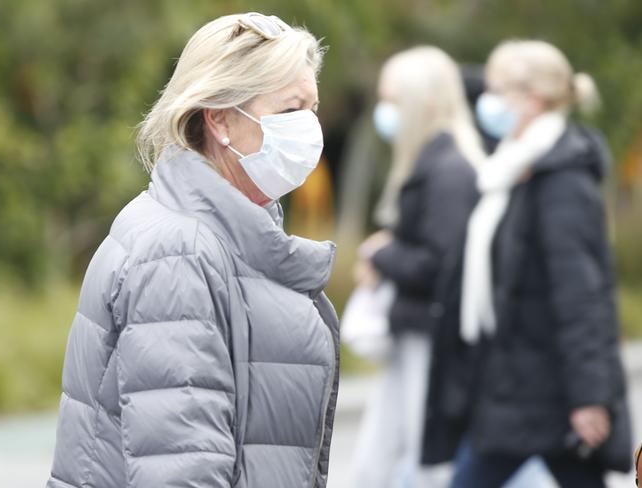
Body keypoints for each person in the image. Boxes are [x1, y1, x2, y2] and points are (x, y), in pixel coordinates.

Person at [46, 13, 339, 488]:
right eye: (290, 111)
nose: (308, 128)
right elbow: (181, 466)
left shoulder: (229, 237)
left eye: (312, 108)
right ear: (220, 120)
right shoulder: (178, 252)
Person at [450, 40, 632, 488]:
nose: (487, 102)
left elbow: (582, 295)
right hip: (518, 383)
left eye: (497, 90)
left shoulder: (560, 179)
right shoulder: (517, 168)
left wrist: (590, 398)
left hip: (548, 390)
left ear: (532, 100)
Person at [349, 46, 485, 488]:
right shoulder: (435, 163)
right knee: (379, 458)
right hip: (414, 333)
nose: (385, 113)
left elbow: (440, 262)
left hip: (432, 339)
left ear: (424, 103)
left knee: (426, 462)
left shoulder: (448, 171)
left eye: (393, 100)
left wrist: (380, 255)